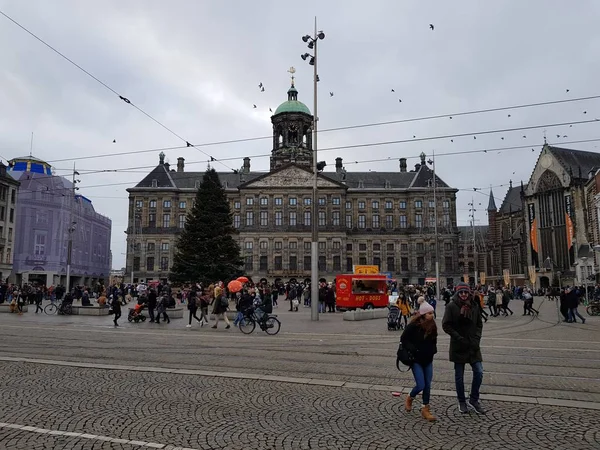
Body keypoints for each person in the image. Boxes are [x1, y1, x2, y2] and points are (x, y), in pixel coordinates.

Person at [442, 282, 486, 414]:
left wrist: (477, 338)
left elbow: (479, 324)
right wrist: (458, 337)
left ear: (469, 293)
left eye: (465, 292)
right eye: (461, 292)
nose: (463, 294)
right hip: (459, 345)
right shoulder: (451, 306)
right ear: (457, 293)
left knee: (479, 372)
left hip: (473, 345)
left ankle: (473, 399)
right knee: (459, 376)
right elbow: (446, 325)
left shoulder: (474, 305)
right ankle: (461, 401)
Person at [400, 299, 438, 422]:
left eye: (432, 313)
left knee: (427, 385)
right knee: (421, 384)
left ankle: (425, 409)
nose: (432, 315)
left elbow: (434, 341)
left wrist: (433, 350)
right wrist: (414, 350)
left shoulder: (433, 325)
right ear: (423, 314)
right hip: (416, 360)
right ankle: (410, 397)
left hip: (428, 359)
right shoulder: (413, 326)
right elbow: (404, 339)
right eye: (429, 313)